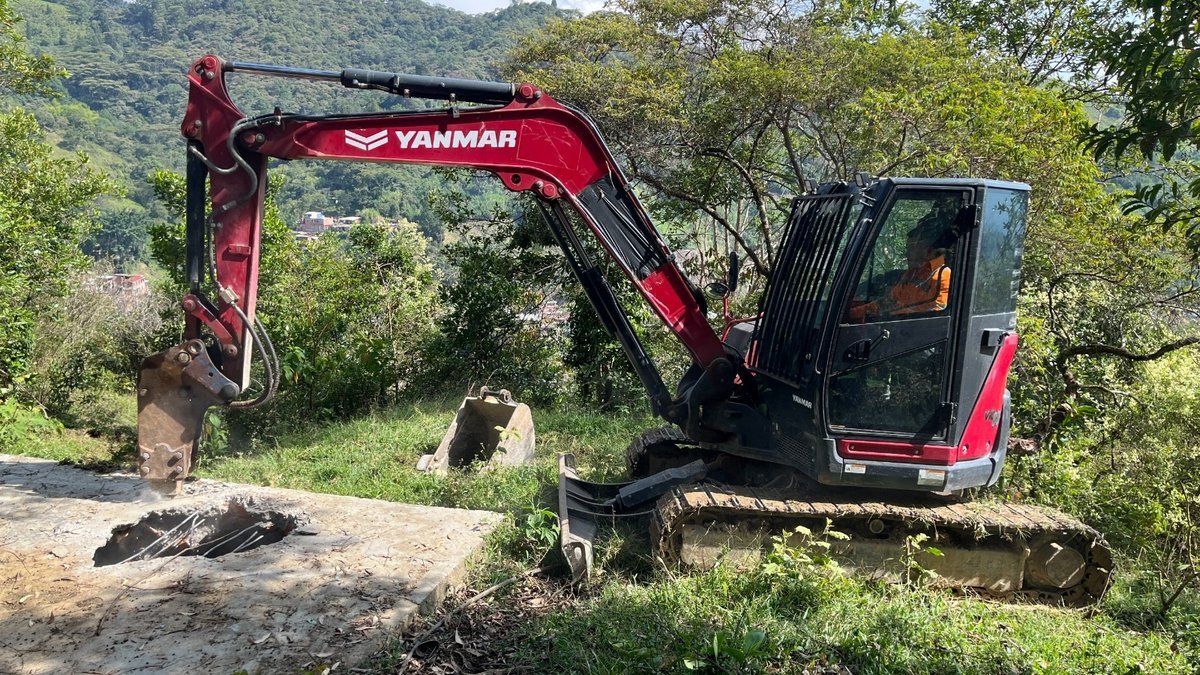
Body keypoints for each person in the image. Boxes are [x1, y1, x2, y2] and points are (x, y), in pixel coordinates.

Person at [847, 215, 954, 322]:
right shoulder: (912, 273)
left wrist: (887, 316)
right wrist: (852, 313)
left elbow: (932, 315)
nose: (906, 253)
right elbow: (888, 303)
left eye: (911, 248)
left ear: (929, 249)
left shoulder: (943, 275)